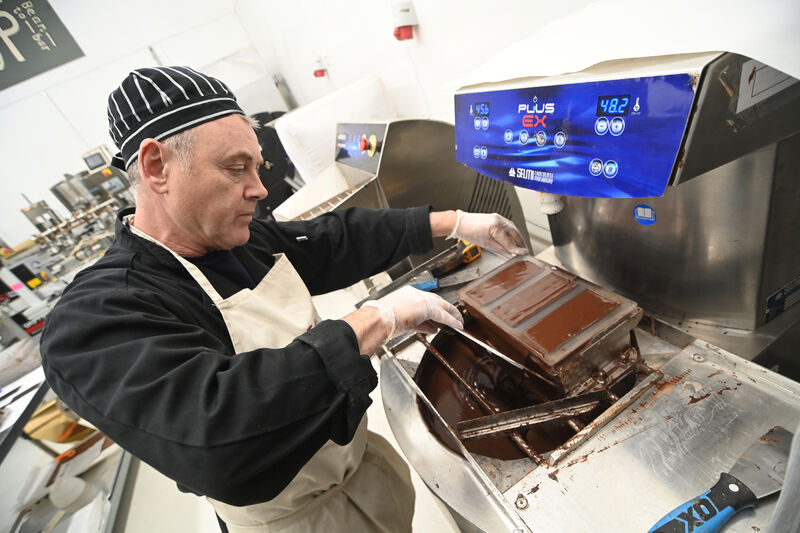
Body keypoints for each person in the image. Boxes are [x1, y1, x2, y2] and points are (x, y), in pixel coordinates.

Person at [40, 66, 528, 533]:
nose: (258, 189)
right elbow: (220, 431)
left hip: (364, 478)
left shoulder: (236, 240)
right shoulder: (97, 319)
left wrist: (456, 223)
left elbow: (332, 239)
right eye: (236, 168)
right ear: (155, 166)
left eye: (257, 166)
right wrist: (374, 321)